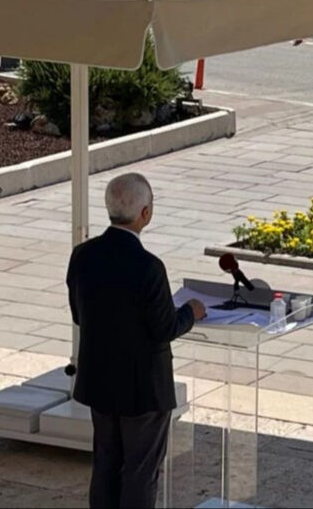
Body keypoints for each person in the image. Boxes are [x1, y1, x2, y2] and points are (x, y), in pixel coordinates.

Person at [67, 173, 207, 509]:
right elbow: (164, 328)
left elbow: (79, 314)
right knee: (140, 472)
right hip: (143, 389)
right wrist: (190, 312)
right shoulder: (149, 267)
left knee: (105, 466)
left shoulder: (83, 255)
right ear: (145, 213)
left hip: (100, 380)